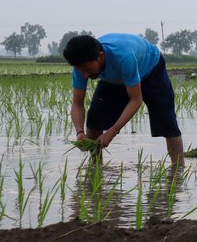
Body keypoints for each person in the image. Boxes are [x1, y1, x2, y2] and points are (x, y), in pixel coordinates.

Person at [63, 34, 184, 165]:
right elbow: (77, 103)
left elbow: (136, 100)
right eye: (81, 71)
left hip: (150, 69)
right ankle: (95, 168)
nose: (85, 75)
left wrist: (112, 132)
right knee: (94, 119)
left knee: (167, 121)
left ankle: (178, 170)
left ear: (101, 56)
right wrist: (80, 132)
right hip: (114, 77)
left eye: (88, 70)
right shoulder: (81, 67)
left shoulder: (123, 57)